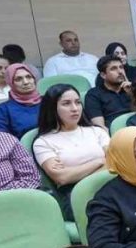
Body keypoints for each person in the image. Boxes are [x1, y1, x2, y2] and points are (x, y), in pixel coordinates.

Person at [32, 84, 109, 220]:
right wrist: (100, 161)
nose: (74, 108)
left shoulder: (97, 131)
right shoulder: (43, 142)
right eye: (66, 104)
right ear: (52, 107)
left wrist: (75, 172)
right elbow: (62, 177)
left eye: (78, 102)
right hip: (76, 195)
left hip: (109, 185)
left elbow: (117, 161)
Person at [0, 63, 41, 138]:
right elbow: (2, 139)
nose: (26, 82)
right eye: (18, 79)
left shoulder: (48, 101)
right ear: (11, 83)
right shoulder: (4, 109)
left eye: (28, 77)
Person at [83, 55, 133, 128]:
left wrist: (132, 94)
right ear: (103, 75)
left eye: (121, 67)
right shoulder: (93, 95)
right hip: (114, 135)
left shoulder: (131, 89)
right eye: (113, 69)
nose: (120, 71)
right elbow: (100, 126)